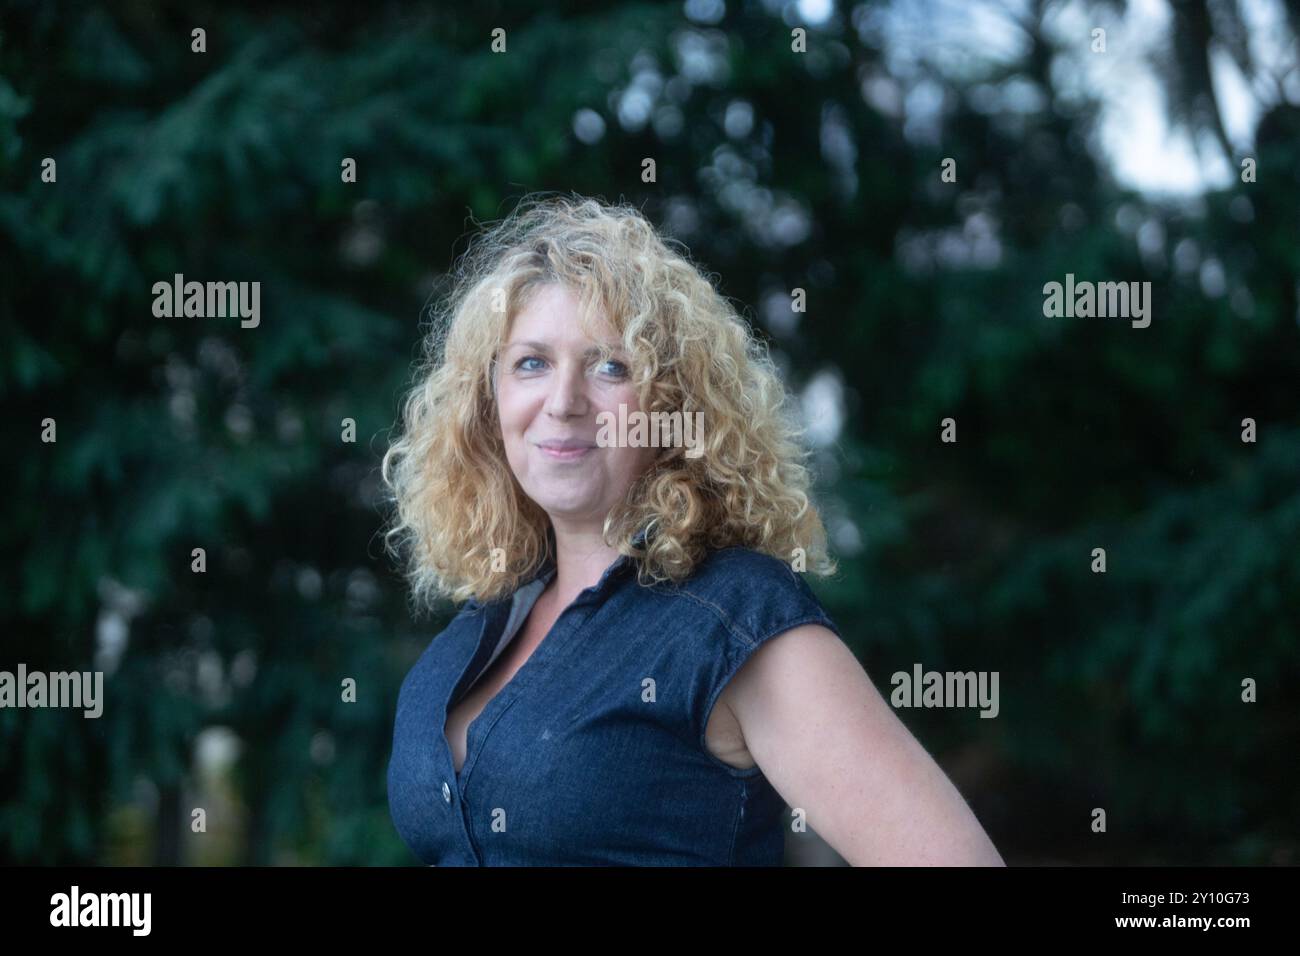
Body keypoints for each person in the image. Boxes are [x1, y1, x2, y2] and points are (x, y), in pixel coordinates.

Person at [382, 193, 1004, 866]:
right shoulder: (470, 636)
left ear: (671, 406)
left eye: (610, 366)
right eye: (531, 363)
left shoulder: (734, 618)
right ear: (489, 402)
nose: (563, 402)